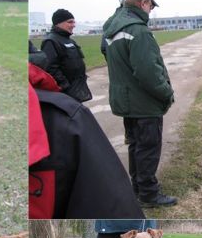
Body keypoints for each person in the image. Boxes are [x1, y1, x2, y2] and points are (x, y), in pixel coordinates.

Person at [29, 63, 144, 218]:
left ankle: (143, 185)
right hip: (137, 101)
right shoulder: (61, 118)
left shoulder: (65, 118)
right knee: (143, 143)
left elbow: (110, 204)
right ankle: (146, 188)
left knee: (137, 142)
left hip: (73, 95)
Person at [102, 0, 177, 207]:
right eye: (151, 5)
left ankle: (136, 188)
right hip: (144, 103)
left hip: (127, 100)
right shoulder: (139, 31)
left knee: (136, 145)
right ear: (143, 2)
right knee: (148, 148)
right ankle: (149, 194)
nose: (151, 10)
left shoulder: (112, 28)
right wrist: (166, 93)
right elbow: (148, 72)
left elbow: (108, 55)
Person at [40, 9, 91, 102]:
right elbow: (51, 68)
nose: (73, 25)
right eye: (70, 22)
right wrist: (65, 86)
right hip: (66, 92)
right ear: (58, 23)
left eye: (74, 22)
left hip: (76, 88)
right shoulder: (50, 41)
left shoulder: (69, 40)